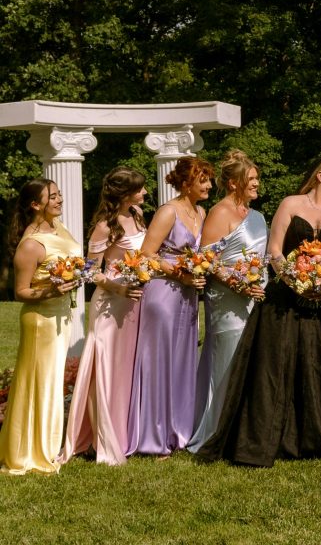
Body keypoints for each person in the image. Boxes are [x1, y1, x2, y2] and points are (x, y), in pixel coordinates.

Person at [198, 156, 321, 466]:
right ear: (319, 176)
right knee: (279, 365)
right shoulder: (290, 203)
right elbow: (275, 251)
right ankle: (278, 435)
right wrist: (295, 279)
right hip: (289, 297)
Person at [126, 156, 214, 456]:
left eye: (209, 180)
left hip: (188, 296)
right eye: (203, 180)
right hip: (162, 294)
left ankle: (179, 430)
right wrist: (180, 273)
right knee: (159, 362)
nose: (209, 185)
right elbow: (146, 254)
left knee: (182, 361)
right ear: (187, 182)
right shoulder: (168, 211)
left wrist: (199, 273)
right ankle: (152, 435)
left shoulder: (202, 212)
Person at [61, 167, 148, 466]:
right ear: (123, 194)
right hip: (110, 305)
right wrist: (117, 288)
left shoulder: (137, 214)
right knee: (106, 368)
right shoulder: (103, 226)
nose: (145, 194)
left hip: (134, 303)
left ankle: (127, 433)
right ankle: (104, 440)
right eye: (139, 189)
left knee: (126, 368)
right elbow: (89, 270)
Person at [188, 150, 268, 453]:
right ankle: (218, 429)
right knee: (227, 360)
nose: (257, 185)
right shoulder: (220, 212)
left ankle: (246, 429)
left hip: (255, 297)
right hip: (226, 300)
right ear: (233, 183)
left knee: (252, 361)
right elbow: (206, 260)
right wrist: (237, 282)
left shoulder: (258, 217)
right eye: (251, 180)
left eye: (257, 179)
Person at [0, 179, 81, 474]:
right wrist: (50, 292)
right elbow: (20, 292)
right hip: (40, 322)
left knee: (51, 381)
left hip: (61, 316)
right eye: (53, 197)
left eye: (59, 195)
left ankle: (45, 444)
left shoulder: (59, 228)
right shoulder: (32, 243)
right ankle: (29, 453)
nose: (60, 200)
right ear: (36, 205)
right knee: (39, 384)